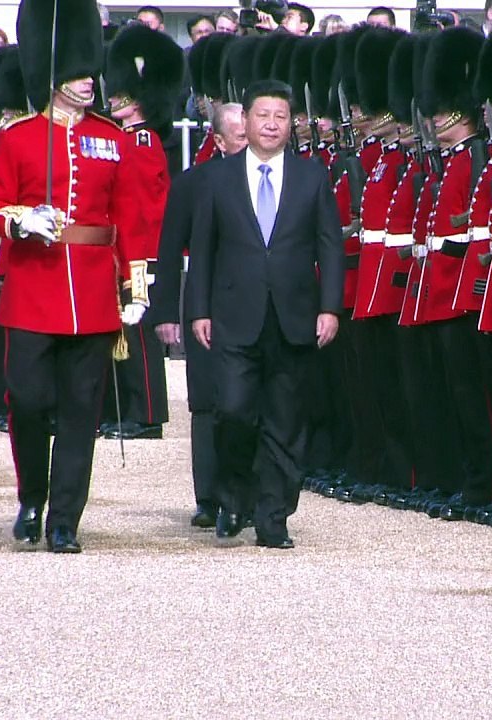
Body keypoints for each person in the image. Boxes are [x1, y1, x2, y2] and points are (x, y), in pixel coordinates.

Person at [0, 0, 144, 554]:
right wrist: (20, 218)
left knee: (81, 411)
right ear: (53, 76)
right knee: (26, 400)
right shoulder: (19, 137)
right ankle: (32, 494)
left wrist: (135, 284)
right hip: (33, 289)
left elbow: (130, 217)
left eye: (89, 70)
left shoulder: (112, 139)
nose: (87, 81)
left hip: (94, 293)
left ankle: (65, 518)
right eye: (75, 71)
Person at [187, 80, 344, 549]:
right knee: (233, 411)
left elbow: (329, 247)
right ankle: (233, 495)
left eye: (281, 116)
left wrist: (330, 307)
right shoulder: (218, 177)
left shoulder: (313, 176)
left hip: (294, 315)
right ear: (247, 122)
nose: (272, 124)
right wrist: (198, 310)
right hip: (234, 313)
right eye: (263, 115)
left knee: (285, 420)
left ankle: (274, 514)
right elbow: (203, 249)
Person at [151, 101, 246, 528]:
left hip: (253, 302)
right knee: (207, 403)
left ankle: (244, 494)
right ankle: (209, 496)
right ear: (220, 141)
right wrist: (166, 312)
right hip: (206, 305)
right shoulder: (194, 183)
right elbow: (169, 250)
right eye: (241, 137)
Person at [100, 23, 181, 441]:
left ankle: (148, 414)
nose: (113, 97)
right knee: (125, 335)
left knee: (142, 340)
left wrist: (142, 262)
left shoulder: (142, 142)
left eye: (123, 93)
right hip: (125, 251)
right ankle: (130, 408)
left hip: (140, 255)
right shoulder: (127, 139)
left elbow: (145, 210)